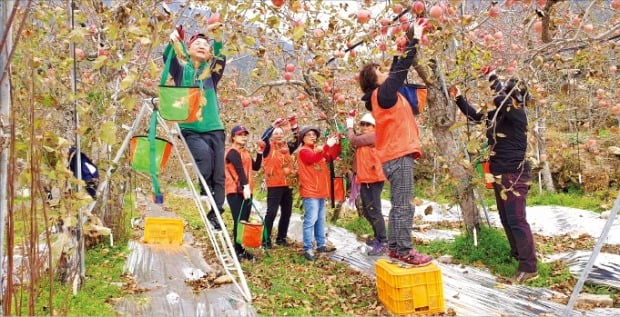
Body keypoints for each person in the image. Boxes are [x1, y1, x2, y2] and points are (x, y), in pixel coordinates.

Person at [449, 69, 538, 284]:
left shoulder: (517, 112)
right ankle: (517, 254)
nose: (503, 95)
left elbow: (501, 98)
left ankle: (529, 267)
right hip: (498, 173)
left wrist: (494, 79)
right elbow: (475, 115)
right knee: (507, 217)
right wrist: (459, 97)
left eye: (509, 92)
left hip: (514, 173)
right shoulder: (499, 113)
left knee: (516, 219)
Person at [357, 19, 432, 266]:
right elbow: (400, 72)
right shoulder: (384, 95)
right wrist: (415, 39)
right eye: (380, 72)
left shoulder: (385, 95)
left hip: (397, 155)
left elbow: (397, 68)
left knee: (401, 204)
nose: (386, 72)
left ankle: (398, 248)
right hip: (398, 155)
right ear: (375, 81)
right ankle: (403, 250)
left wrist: (403, 43)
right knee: (403, 205)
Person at [166, 24, 226, 230]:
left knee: (219, 175)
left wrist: (216, 37)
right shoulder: (182, 71)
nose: (202, 46)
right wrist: (174, 41)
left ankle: (216, 214)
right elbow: (169, 59)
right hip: (190, 127)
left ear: (209, 54)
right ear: (188, 49)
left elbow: (221, 57)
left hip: (214, 127)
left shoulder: (211, 74)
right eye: (197, 43)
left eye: (205, 45)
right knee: (205, 158)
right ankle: (204, 189)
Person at [345, 113, 388, 256]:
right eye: (362, 124)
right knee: (368, 211)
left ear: (375, 127)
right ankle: (378, 237)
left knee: (374, 211)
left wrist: (349, 125)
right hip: (365, 179)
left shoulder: (374, 136)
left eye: (368, 124)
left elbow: (353, 140)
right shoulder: (366, 139)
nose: (364, 127)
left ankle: (383, 242)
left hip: (373, 179)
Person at [297, 126, 341, 261]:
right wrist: (327, 146)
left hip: (320, 191)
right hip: (310, 191)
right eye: (309, 135)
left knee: (320, 220)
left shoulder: (318, 150)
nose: (312, 137)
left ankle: (321, 245)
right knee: (310, 220)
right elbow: (312, 159)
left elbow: (330, 156)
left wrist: (336, 143)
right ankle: (307, 248)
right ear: (303, 138)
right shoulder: (303, 151)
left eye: (314, 135)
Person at [259, 116, 300, 249]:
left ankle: (281, 238)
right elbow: (263, 139)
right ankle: (265, 240)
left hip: (287, 184)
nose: (278, 135)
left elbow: (298, 139)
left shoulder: (287, 147)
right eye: (275, 133)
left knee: (287, 212)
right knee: (271, 212)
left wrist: (294, 125)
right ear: (271, 136)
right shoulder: (267, 148)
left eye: (281, 133)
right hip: (274, 185)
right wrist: (272, 126)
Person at [225, 125, 263, 261]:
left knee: (244, 220)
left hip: (246, 190)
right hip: (235, 190)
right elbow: (239, 170)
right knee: (239, 220)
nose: (244, 137)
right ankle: (237, 250)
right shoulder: (232, 152)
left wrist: (259, 153)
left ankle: (240, 248)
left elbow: (256, 167)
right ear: (234, 137)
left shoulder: (245, 152)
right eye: (241, 135)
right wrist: (245, 186)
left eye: (245, 135)